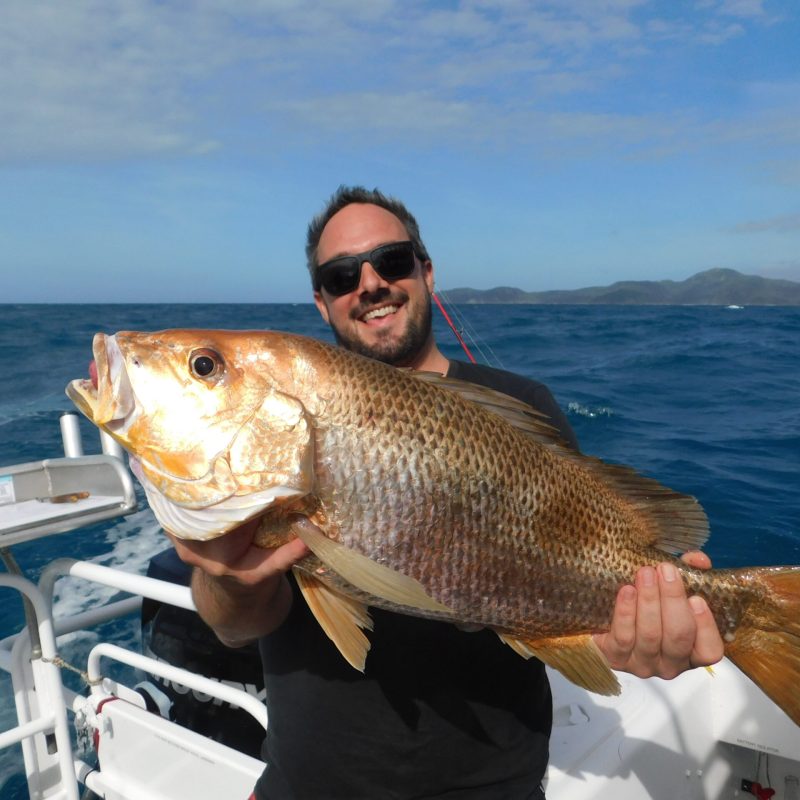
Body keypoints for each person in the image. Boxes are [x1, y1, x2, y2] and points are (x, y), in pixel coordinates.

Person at [168, 186, 724, 799]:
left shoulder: (523, 406)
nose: (371, 283)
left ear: (426, 272)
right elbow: (235, 628)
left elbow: (570, 597)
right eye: (342, 274)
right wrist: (227, 579)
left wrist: (634, 638)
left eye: (394, 261)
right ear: (322, 303)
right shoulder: (265, 444)